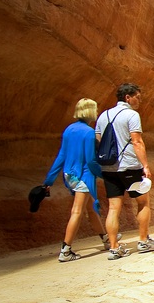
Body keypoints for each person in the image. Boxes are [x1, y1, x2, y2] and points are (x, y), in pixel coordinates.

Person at [95, 83, 154, 259]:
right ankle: (143, 240)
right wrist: (145, 165)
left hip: (109, 167)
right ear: (127, 97)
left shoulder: (103, 115)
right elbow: (137, 141)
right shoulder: (131, 115)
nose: (139, 100)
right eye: (137, 97)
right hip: (129, 165)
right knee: (143, 202)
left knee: (113, 208)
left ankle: (114, 248)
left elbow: (98, 141)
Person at [43, 98, 107, 262]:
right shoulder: (88, 133)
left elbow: (61, 156)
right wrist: (104, 175)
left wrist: (49, 180)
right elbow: (91, 161)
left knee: (90, 209)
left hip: (69, 175)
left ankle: (106, 239)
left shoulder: (69, 129)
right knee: (77, 212)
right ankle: (66, 250)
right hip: (83, 176)